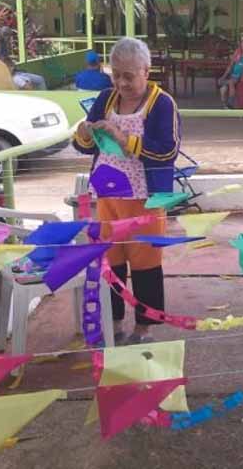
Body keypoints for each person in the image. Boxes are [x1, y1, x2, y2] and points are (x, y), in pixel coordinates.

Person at [73, 37, 180, 345]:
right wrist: (83, 134)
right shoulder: (106, 97)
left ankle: (144, 328)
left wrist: (125, 139)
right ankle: (114, 320)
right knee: (113, 261)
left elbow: (167, 151)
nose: (121, 82)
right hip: (107, 196)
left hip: (145, 198)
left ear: (146, 71)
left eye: (129, 76)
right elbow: (85, 145)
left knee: (145, 265)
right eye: (116, 74)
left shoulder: (162, 103)